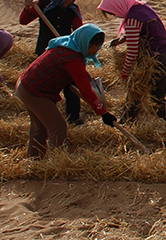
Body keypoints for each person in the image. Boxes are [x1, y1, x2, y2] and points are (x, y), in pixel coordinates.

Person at [15, 24, 117, 158]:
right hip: (34, 92)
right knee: (58, 127)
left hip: (24, 84)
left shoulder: (66, 44)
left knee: (39, 126)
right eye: (95, 45)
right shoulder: (73, 60)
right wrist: (103, 113)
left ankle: (34, 160)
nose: (96, 50)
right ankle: (56, 163)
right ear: (85, 42)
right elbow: (86, 91)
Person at [97, 0, 166, 121]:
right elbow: (146, 31)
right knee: (157, 97)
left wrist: (125, 72)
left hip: (155, 60)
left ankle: (126, 124)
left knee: (135, 94)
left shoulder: (132, 20)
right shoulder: (142, 8)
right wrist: (122, 39)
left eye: (113, 12)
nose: (116, 16)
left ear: (118, 6)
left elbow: (132, 53)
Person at [19, 0, 84, 124]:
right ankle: (45, 115)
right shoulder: (42, 5)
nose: (69, 1)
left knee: (71, 85)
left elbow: (78, 31)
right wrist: (27, 7)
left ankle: (73, 118)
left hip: (65, 53)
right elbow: (23, 21)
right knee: (45, 84)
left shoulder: (73, 9)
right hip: (45, 51)